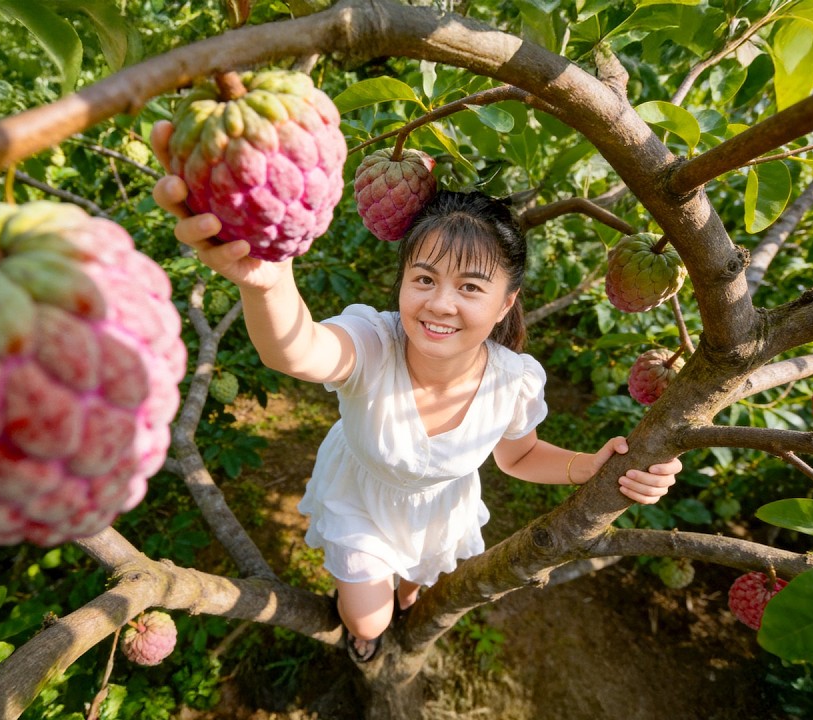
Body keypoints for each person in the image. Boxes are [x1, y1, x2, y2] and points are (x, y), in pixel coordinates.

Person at [150, 121, 682, 662]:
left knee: (414, 590)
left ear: (505, 303)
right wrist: (266, 279)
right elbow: (298, 349)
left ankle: (402, 589)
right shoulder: (375, 343)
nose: (440, 304)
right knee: (368, 616)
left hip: (440, 511)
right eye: (424, 279)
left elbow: (518, 454)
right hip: (363, 499)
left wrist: (590, 465)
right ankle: (361, 621)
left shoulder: (512, 379)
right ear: (403, 280)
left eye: (470, 287)